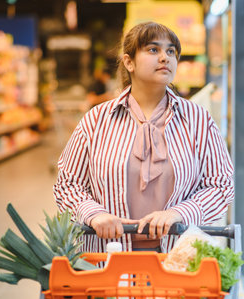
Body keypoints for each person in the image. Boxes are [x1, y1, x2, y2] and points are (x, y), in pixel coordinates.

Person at [53, 22, 234, 253]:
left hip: (178, 256)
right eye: (153, 50)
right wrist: (93, 214)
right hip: (109, 257)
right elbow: (67, 184)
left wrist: (178, 213)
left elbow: (221, 185)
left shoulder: (198, 120)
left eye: (171, 51)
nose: (164, 58)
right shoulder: (96, 120)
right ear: (129, 62)